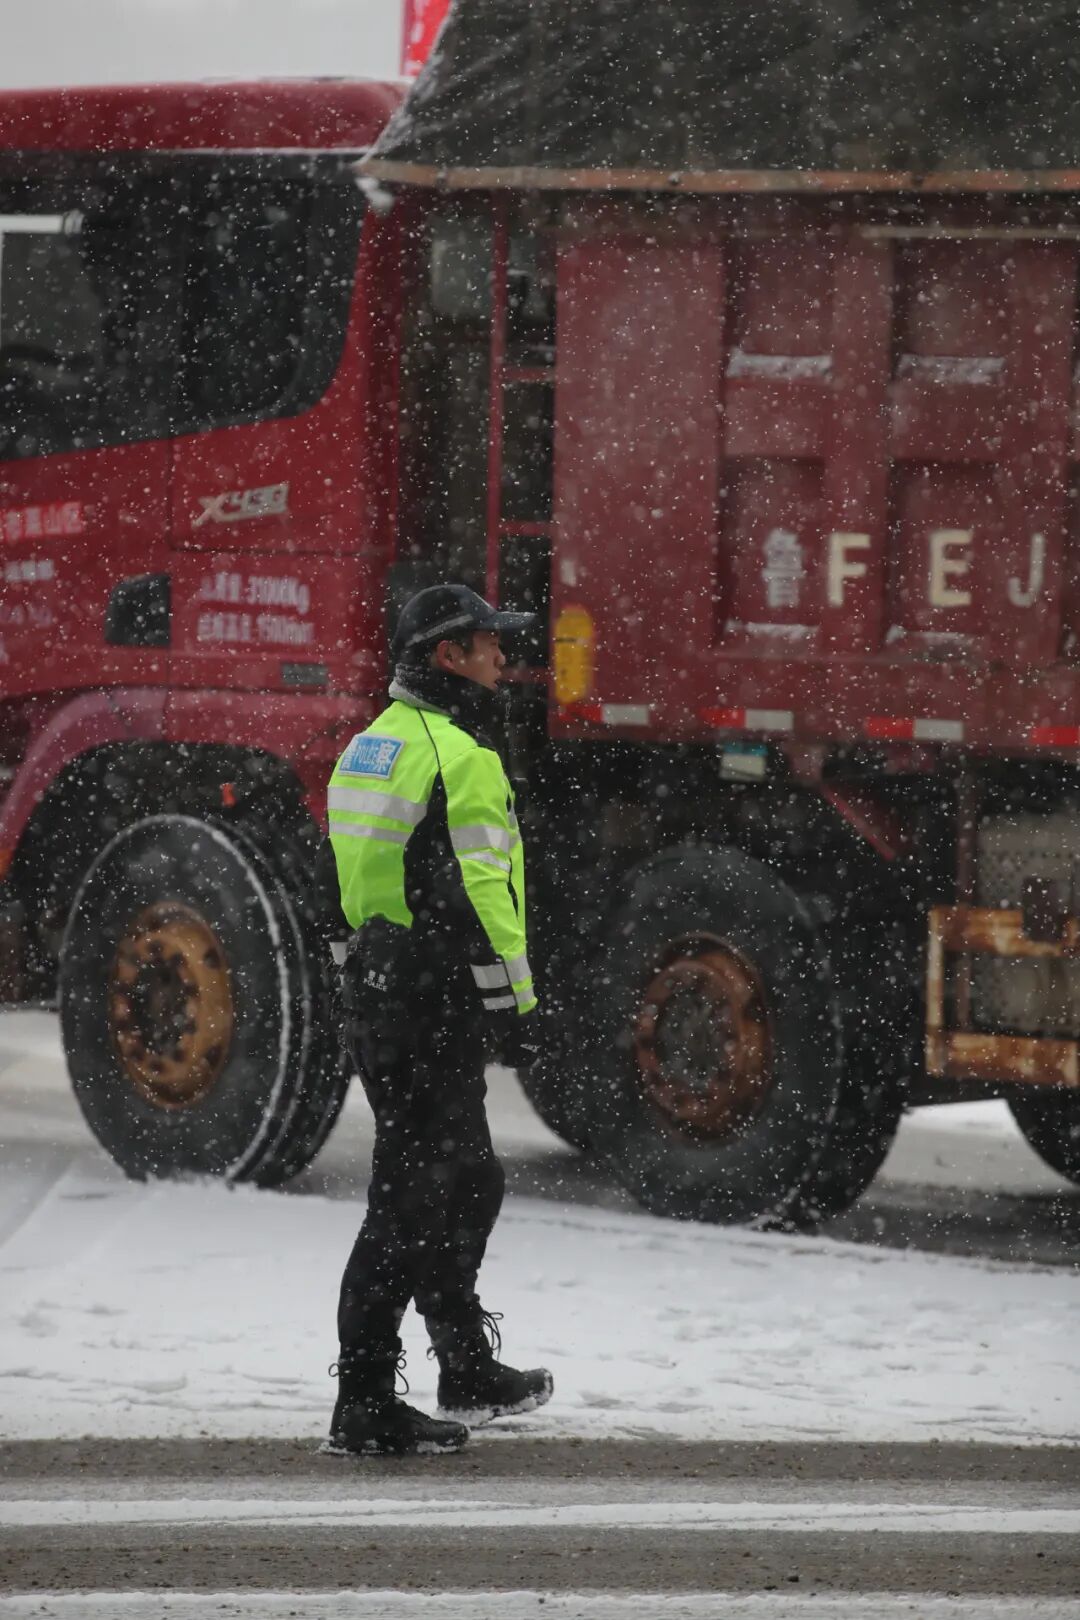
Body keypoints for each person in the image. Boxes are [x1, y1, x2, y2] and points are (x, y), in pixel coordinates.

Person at [319, 583, 553, 1457]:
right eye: (491, 643)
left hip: (386, 1002)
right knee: (410, 1204)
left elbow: (342, 887)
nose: (505, 657)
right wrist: (518, 1009)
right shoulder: (461, 756)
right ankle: (366, 1402)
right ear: (451, 656)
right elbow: (484, 894)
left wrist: (366, 973)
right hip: (433, 1007)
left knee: (465, 1180)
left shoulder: (368, 748)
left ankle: (461, 1362)